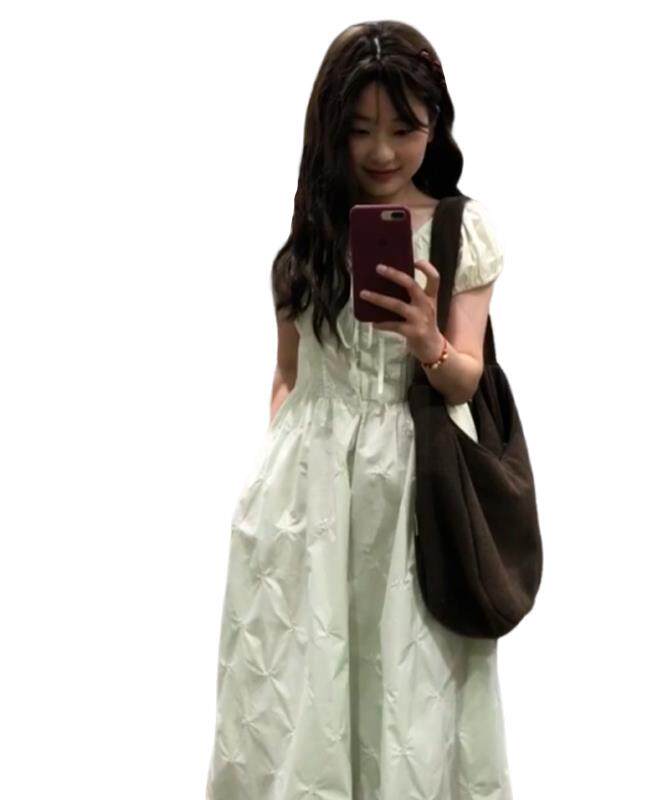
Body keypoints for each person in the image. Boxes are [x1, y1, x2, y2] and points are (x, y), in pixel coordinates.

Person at [206, 20, 511, 800]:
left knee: (410, 691)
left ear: (434, 123)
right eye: (361, 129)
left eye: (403, 128)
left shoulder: (459, 230)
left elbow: (466, 381)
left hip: (411, 491)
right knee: (295, 687)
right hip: (304, 500)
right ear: (330, 130)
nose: (381, 151)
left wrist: (426, 341)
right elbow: (287, 375)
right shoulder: (310, 233)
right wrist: (273, 482)